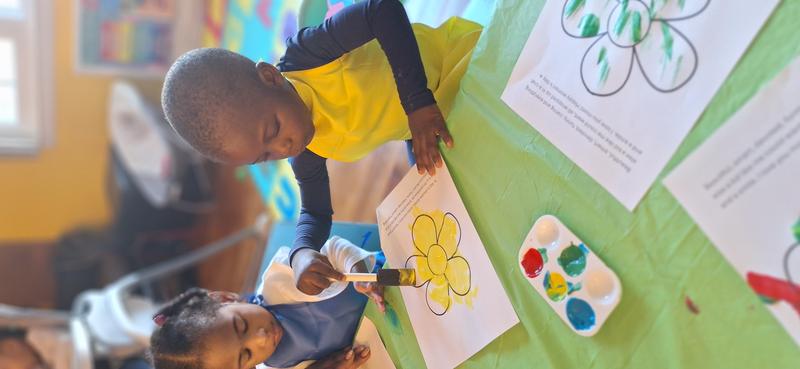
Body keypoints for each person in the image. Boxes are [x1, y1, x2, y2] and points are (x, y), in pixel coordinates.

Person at [161, 0, 481, 296]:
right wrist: (301, 254)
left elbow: (382, 10)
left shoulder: (309, 56)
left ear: (271, 77)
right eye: (266, 156)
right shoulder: (305, 149)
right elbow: (314, 211)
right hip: (428, 126)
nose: (283, 147)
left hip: (459, 63)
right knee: (456, 201)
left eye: (273, 129)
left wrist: (417, 103)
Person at [148, 236, 383, 369]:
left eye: (241, 325)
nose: (261, 337)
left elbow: (335, 248)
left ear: (225, 298)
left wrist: (360, 273)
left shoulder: (280, 276)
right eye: (246, 355)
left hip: (389, 282)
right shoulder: (277, 366)